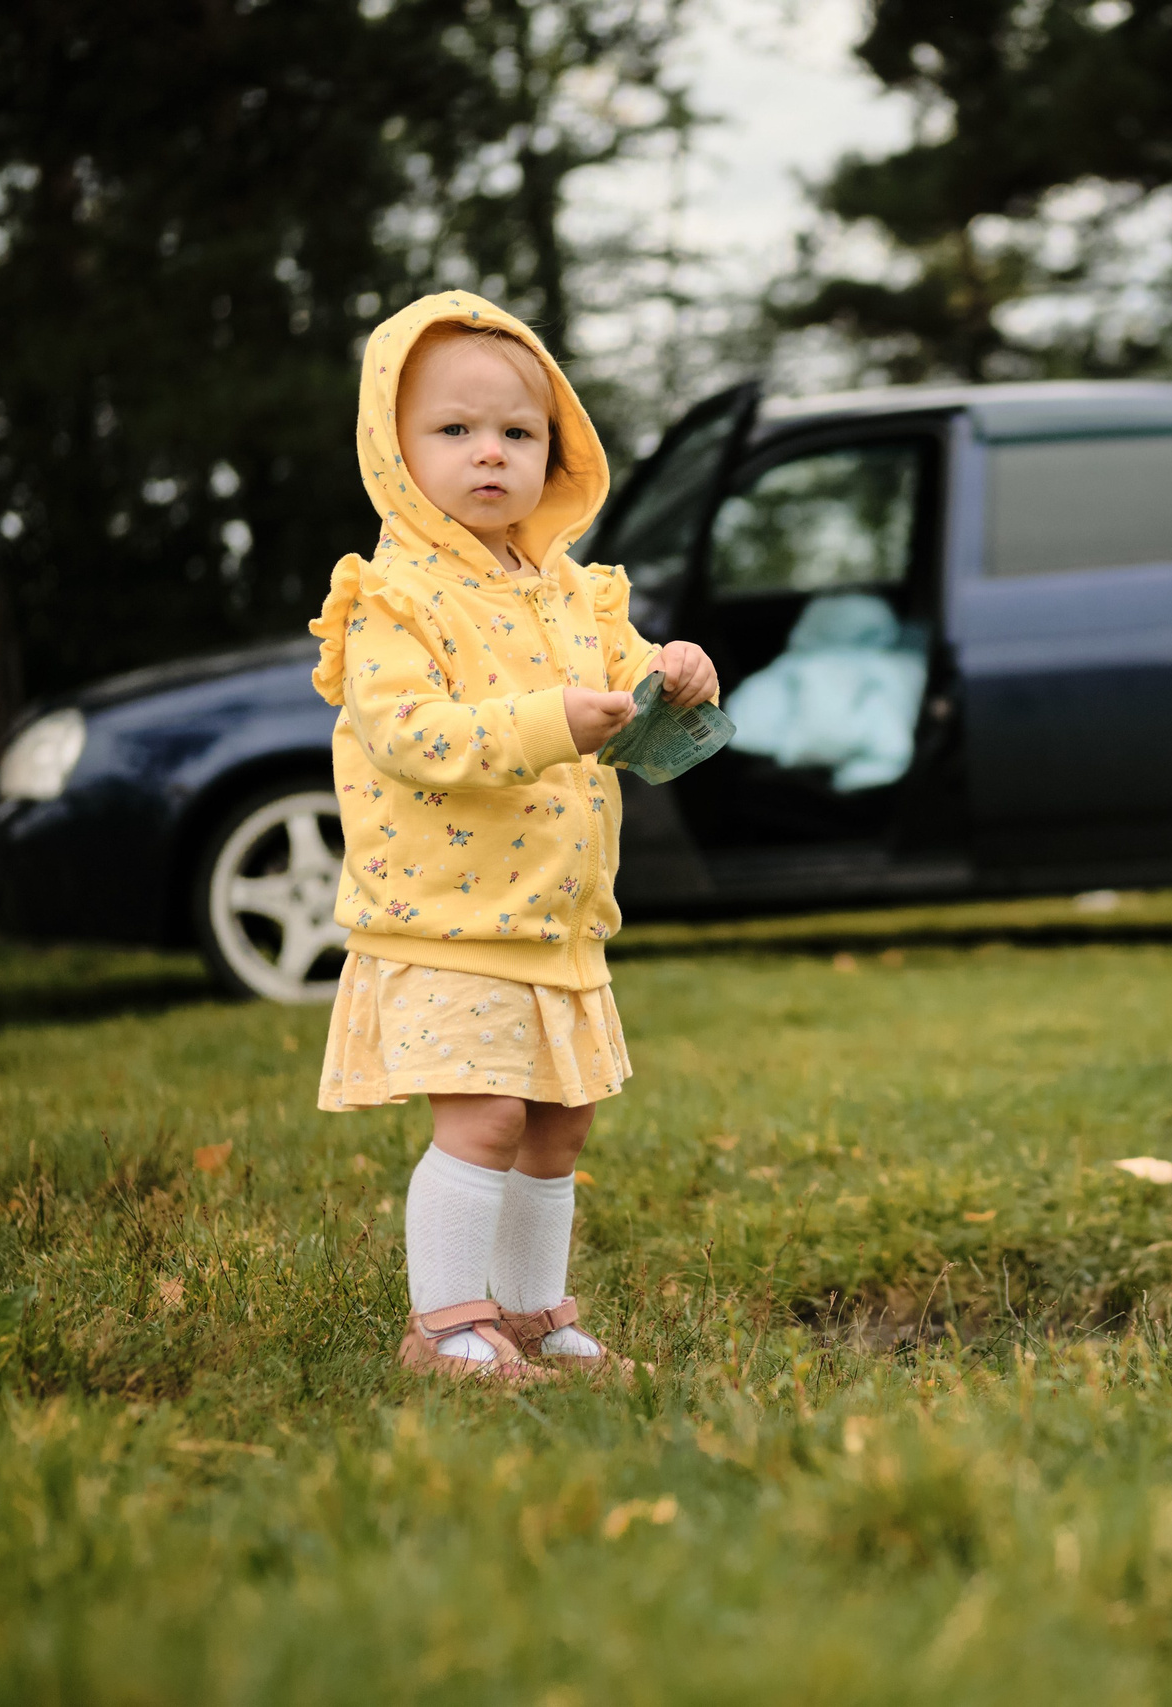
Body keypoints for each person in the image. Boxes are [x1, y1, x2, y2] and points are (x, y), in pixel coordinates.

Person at [307, 291, 720, 1381]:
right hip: (447, 912)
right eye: (454, 431)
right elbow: (409, 735)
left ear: (555, 448)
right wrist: (548, 724)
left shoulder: (575, 593)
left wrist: (675, 674)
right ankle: (445, 1325)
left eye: (518, 433)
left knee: (559, 1122)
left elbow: (629, 696)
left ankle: (534, 1314)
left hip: (554, 913)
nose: (489, 453)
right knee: (486, 1114)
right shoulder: (391, 599)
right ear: (394, 453)